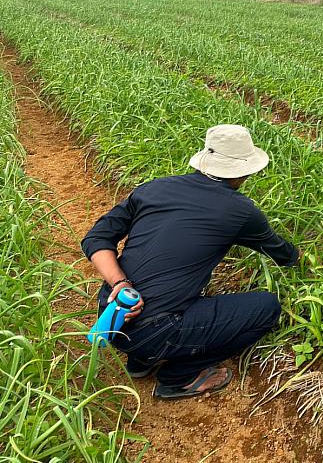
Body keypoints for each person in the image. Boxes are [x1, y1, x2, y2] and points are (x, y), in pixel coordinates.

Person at [81, 124, 300, 399]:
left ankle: (140, 361)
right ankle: (179, 377)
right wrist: (303, 258)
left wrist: (120, 282)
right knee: (266, 308)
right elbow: (282, 254)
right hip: (156, 330)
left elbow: (96, 238)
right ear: (243, 171)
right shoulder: (240, 211)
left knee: (171, 288)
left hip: (112, 312)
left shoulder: (154, 189)